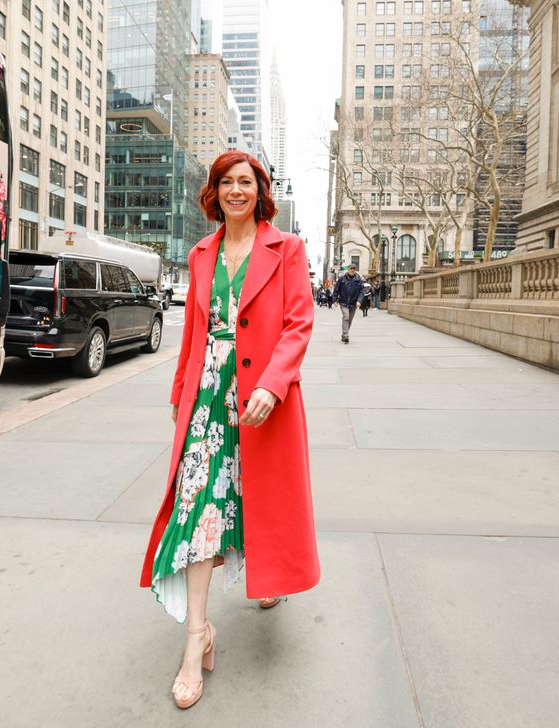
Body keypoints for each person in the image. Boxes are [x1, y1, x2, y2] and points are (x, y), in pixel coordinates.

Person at [140, 150, 319, 710]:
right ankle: (197, 637)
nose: (236, 191)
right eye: (226, 183)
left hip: (263, 397)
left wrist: (273, 382)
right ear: (213, 193)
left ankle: (265, 574)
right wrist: (178, 396)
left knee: (254, 495)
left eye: (246, 182)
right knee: (198, 508)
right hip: (208, 398)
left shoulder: (286, 248)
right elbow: (192, 333)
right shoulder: (199, 254)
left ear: (260, 190)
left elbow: (299, 321)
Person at [332, 264, 364, 343]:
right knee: (346, 317)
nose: (352, 270)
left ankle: (344, 334)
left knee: (349, 319)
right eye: (351, 269)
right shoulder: (342, 279)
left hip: (354, 303)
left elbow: (361, 291)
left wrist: (359, 301)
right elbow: (336, 290)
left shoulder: (358, 279)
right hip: (343, 302)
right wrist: (335, 300)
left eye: (354, 269)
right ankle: (346, 335)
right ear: (348, 270)